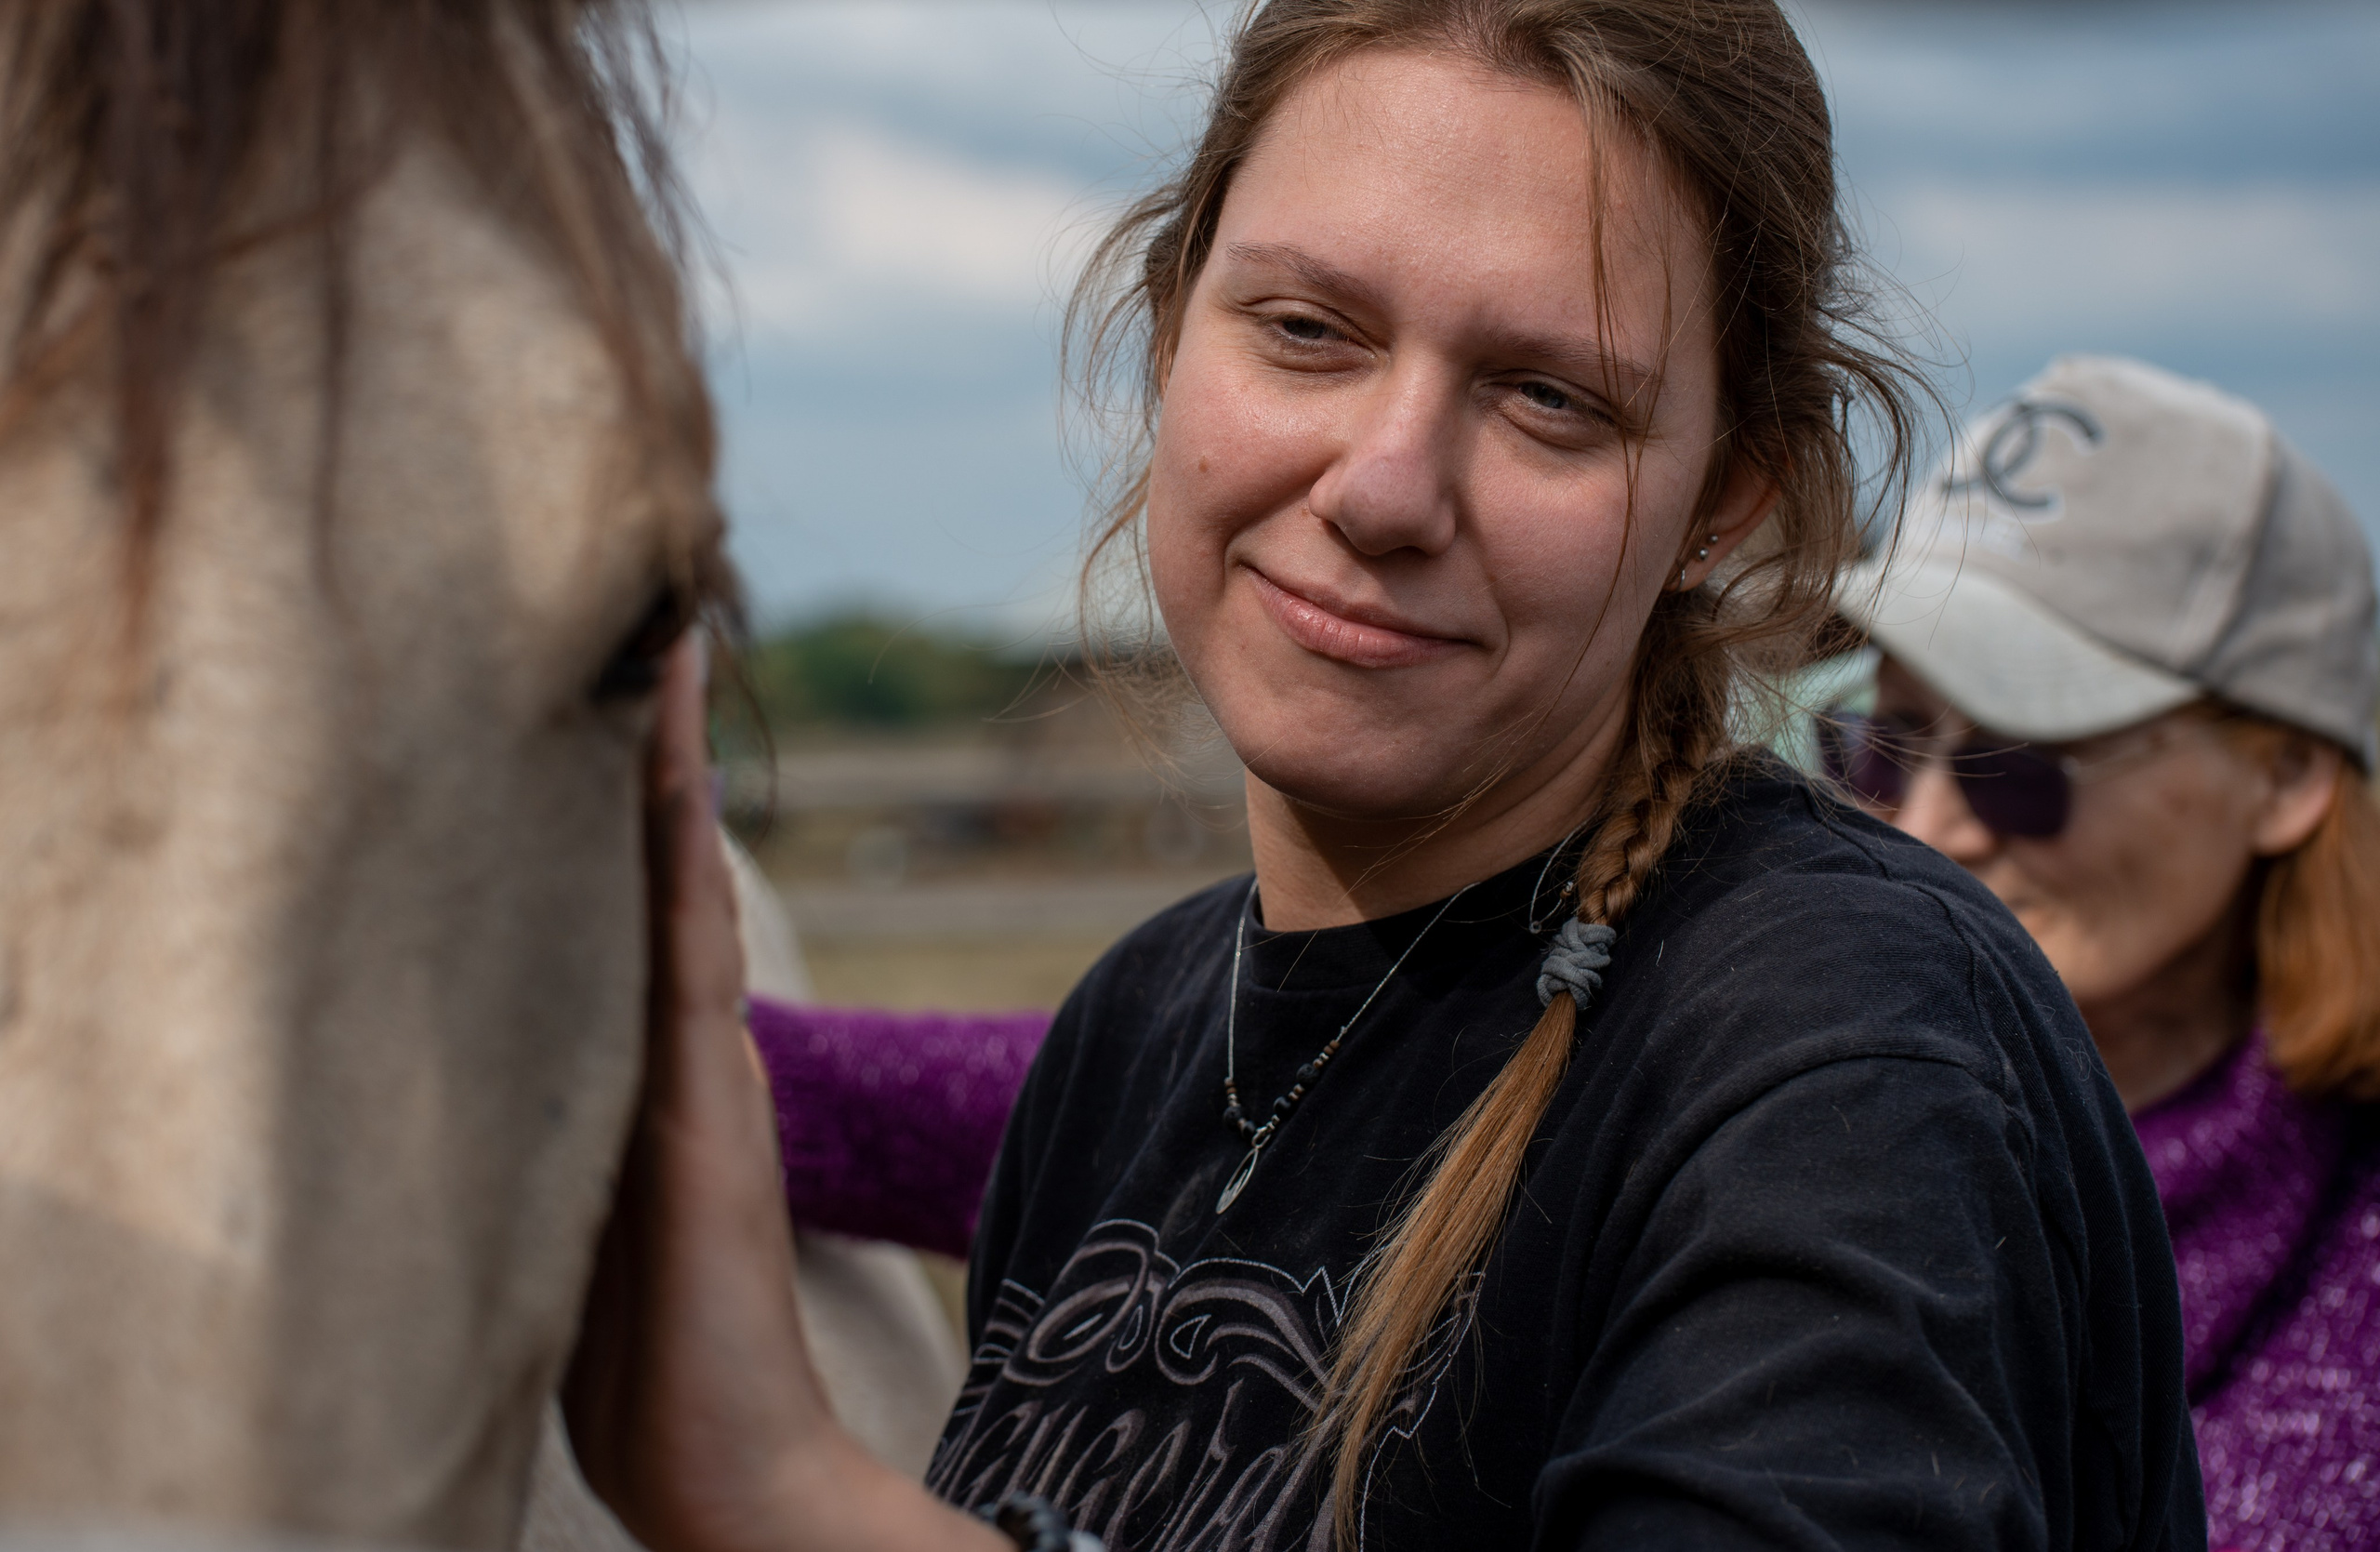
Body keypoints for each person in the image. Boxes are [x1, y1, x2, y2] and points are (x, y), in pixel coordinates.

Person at [565, 4, 2208, 1549]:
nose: (1386, 485)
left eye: (1551, 398)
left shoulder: (1839, 1056)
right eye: (1306, 330)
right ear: (1167, 336)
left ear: (1729, 498)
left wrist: (788, 1497)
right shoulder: (1135, 1031)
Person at [1829, 354, 2380, 1552]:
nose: (1927, 827)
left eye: (2027, 758)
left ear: (2287, 774)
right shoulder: (1774, 1132)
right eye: (1881, 742)